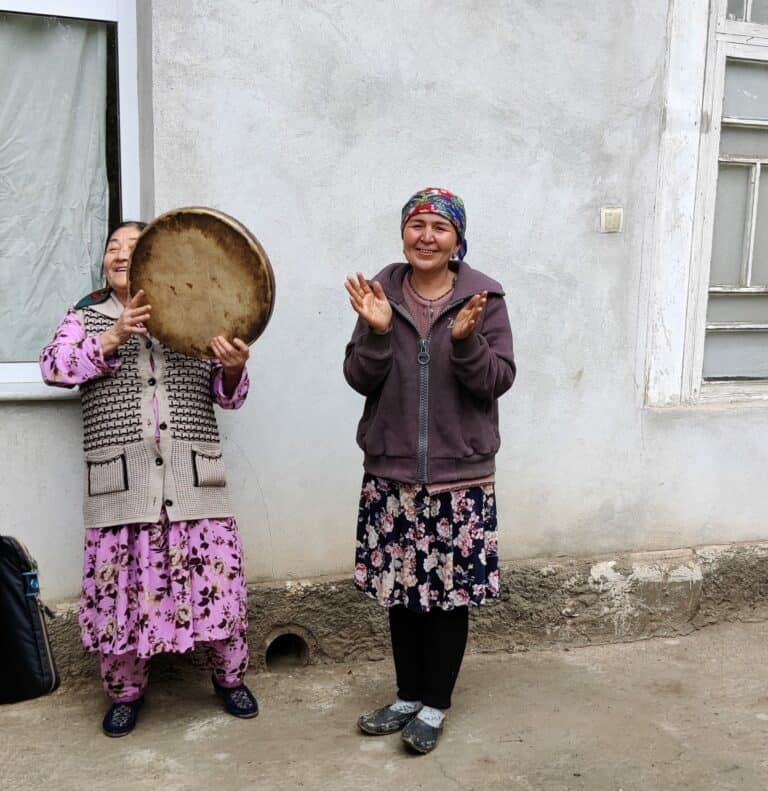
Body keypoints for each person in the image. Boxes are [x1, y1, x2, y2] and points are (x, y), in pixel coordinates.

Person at [40, 220, 258, 736]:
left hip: (192, 481)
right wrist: (110, 339)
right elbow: (53, 366)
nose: (120, 254)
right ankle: (125, 694)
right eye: (112, 247)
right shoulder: (85, 316)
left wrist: (231, 367)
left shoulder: (194, 310)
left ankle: (230, 680)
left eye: (133, 247)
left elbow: (229, 395)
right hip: (122, 488)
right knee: (119, 596)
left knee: (216, 586)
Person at [344, 187, 515, 754]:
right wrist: (375, 331)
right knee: (401, 591)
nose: (426, 236)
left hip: (459, 476)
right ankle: (407, 695)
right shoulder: (380, 296)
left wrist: (466, 343)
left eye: (439, 227)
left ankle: (436, 704)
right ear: (403, 235)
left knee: (447, 596)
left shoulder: (485, 299)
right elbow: (359, 378)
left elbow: (497, 380)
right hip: (392, 473)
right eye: (416, 225)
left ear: (457, 240)